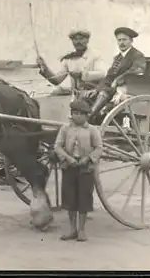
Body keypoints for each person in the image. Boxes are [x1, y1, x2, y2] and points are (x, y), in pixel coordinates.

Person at [54, 99, 103, 242]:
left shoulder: (92, 130)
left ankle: (82, 230)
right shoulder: (65, 129)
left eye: (80, 114)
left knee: (84, 199)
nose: (77, 117)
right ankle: (72, 230)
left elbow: (99, 148)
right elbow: (57, 146)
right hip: (69, 168)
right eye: (74, 113)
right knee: (70, 200)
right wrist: (68, 159)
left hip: (85, 169)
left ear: (87, 116)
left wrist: (87, 159)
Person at [83, 27, 147, 120]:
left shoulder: (137, 55)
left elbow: (137, 71)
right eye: (119, 40)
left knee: (105, 92)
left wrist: (118, 79)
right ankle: (91, 117)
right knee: (89, 93)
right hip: (114, 89)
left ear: (131, 41)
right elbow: (109, 76)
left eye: (124, 40)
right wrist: (96, 90)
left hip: (128, 88)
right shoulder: (117, 58)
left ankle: (89, 116)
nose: (121, 43)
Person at [36, 29, 105, 101]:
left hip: (93, 94)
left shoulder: (96, 55)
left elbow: (102, 74)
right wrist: (44, 67)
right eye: (75, 39)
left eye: (81, 39)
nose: (78, 42)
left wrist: (82, 74)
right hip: (76, 97)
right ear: (72, 41)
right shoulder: (69, 59)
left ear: (87, 40)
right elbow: (57, 80)